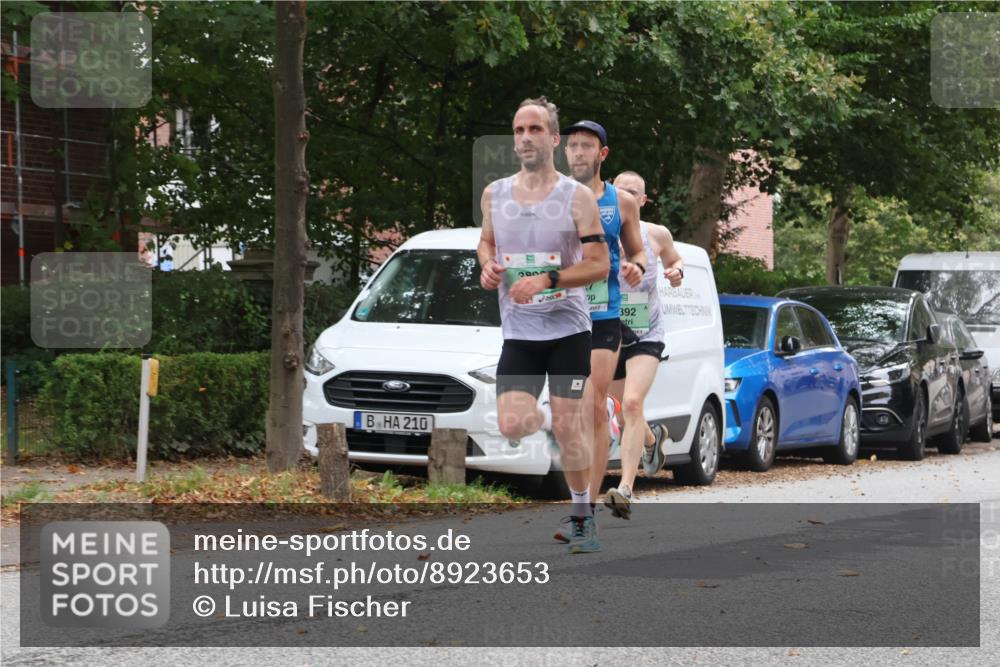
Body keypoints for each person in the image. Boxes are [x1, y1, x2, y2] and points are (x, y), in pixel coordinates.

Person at [478, 97, 610, 554]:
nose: (525, 137)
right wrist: (487, 268)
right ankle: (552, 420)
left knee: (570, 427)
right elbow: (486, 243)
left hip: (568, 331)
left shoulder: (577, 198)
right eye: (518, 130)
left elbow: (599, 266)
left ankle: (582, 518)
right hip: (519, 331)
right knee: (513, 425)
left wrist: (548, 279)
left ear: (553, 139)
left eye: (535, 129)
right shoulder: (494, 194)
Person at [560, 121, 646, 534]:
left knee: (591, 406)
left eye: (586, 146)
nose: (578, 152)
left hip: (603, 315)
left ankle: (585, 509)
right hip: (558, 316)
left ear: (602, 155)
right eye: (572, 145)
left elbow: (639, 250)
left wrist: (636, 266)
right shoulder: (548, 198)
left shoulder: (622, 202)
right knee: (568, 416)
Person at [603, 170, 684, 520]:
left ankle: (624, 489)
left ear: (643, 200)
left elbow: (675, 260)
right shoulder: (596, 233)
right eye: (621, 190)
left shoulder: (656, 235)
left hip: (646, 332)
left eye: (634, 192)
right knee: (623, 408)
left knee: (633, 403)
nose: (627, 196)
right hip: (608, 332)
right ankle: (652, 439)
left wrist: (676, 271)